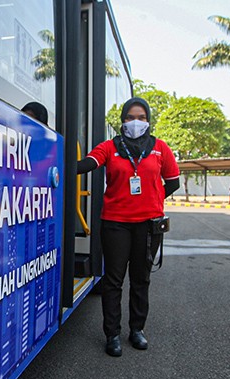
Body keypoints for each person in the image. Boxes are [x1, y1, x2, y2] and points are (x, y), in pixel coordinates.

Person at [77, 97, 180, 356]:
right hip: (115, 223)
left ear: (148, 121)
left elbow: (174, 181)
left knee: (141, 279)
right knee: (113, 280)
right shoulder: (110, 147)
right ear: (123, 120)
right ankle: (112, 334)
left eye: (142, 118)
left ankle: (137, 330)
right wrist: (63, 161)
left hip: (148, 225)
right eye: (131, 117)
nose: (136, 122)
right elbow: (90, 162)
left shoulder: (160, 148)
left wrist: (154, 199)